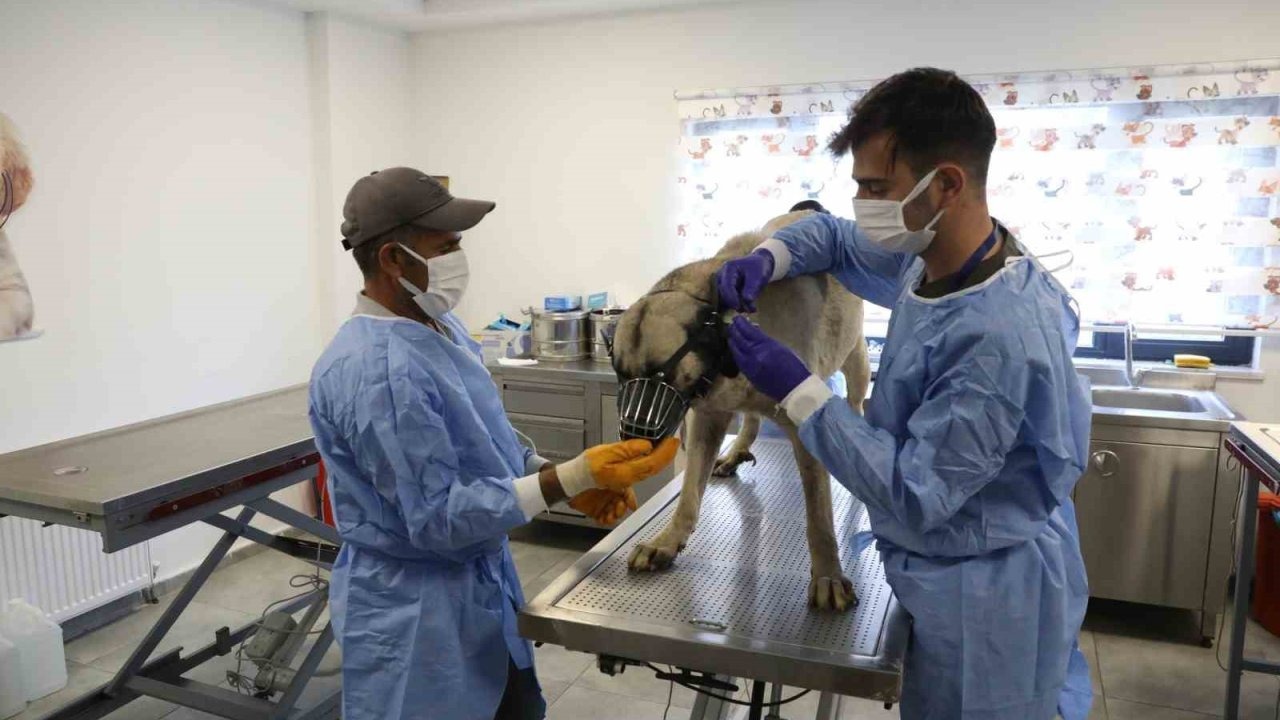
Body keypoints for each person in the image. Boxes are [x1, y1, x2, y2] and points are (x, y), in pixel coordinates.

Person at [716, 69, 1093, 719]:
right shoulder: (938, 256)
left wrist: (801, 393)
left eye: (874, 187)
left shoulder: (994, 338)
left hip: (987, 604)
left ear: (945, 182)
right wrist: (770, 256)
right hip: (953, 570)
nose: (864, 203)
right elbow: (833, 237)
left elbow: (917, 494)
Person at [308, 167, 678, 720]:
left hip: (482, 593)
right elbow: (435, 518)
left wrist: (561, 479)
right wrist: (570, 479)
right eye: (447, 246)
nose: (460, 258)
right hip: (417, 617)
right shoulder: (379, 373)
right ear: (392, 258)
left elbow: (489, 447)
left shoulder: (441, 329)